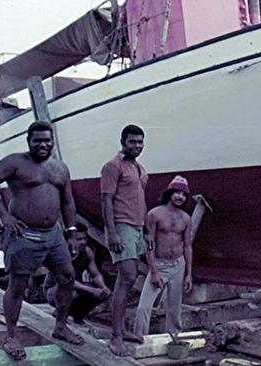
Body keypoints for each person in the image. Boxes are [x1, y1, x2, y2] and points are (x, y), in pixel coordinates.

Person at [0, 121, 83, 361]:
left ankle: (60, 326)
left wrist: (72, 232)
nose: (43, 144)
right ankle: (12, 336)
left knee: (67, 278)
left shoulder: (60, 168)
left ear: (53, 141)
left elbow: (68, 202)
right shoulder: (16, 162)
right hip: (23, 234)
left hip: (53, 235)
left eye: (47, 140)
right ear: (29, 141)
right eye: (38, 140)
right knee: (18, 285)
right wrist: (4, 216)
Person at [101, 124, 148, 356]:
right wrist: (111, 233)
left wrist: (146, 230)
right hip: (122, 226)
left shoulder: (138, 168)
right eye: (132, 142)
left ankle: (121, 329)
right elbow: (106, 200)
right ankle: (116, 336)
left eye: (140, 142)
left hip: (137, 227)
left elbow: (141, 199)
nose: (137, 146)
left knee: (129, 277)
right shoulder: (112, 166)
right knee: (126, 276)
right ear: (122, 141)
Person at [134, 175, 193, 336]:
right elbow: (149, 243)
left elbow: (188, 247)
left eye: (184, 194)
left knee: (174, 308)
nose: (180, 197)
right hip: (159, 264)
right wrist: (153, 271)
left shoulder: (186, 218)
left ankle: (174, 338)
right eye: (177, 193)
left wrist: (188, 274)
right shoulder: (155, 214)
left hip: (178, 265)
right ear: (170, 193)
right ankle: (138, 339)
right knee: (143, 307)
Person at [44, 223, 111, 324]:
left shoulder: (87, 252)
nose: (83, 242)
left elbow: (95, 274)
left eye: (85, 239)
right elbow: (67, 280)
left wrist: (103, 287)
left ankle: (78, 315)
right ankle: (60, 312)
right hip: (54, 289)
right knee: (71, 292)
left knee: (103, 293)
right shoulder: (61, 253)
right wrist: (92, 290)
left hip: (76, 287)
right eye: (79, 239)